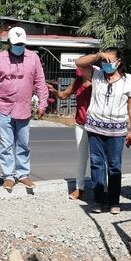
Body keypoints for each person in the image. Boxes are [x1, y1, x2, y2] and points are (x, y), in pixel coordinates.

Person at [0, 27, 48, 192]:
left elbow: (40, 81)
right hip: (3, 107)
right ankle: (8, 176)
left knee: (23, 143)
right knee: (5, 144)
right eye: (16, 44)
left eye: (22, 44)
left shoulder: (33, 58)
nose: (19, 46)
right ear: (9, 43)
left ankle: (23, 174)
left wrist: (42, 103)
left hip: (24, 107)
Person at [76, 47, 131, 214]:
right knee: (96, 164)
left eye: (110, 61)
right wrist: (97, 56)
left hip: (117, 131)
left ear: (119, 62)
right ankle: (97, 200)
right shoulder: (96, 74)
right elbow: (79, 63)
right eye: (104, 61)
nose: (106, 64)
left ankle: (113, 201)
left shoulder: (128, 80)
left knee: (114, 166)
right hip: (95, 127)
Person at [49, 68, 92, 201]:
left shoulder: (98, 83)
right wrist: (54, 91)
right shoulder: (77, 82)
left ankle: (105, 190)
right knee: (81, 156)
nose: (79, 70)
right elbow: (63, 95)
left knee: (100, 159)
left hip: (97, 125)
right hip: (80, 123)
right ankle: (80, 188)